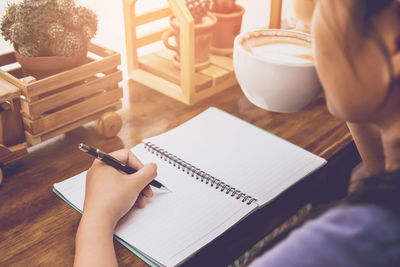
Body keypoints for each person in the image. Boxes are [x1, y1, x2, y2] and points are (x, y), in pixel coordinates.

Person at [74, 0, 400, 266]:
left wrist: (97, 218)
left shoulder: (333, 249)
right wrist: (359, 88)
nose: (307, 31)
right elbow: (380, 172)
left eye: (322, 10)